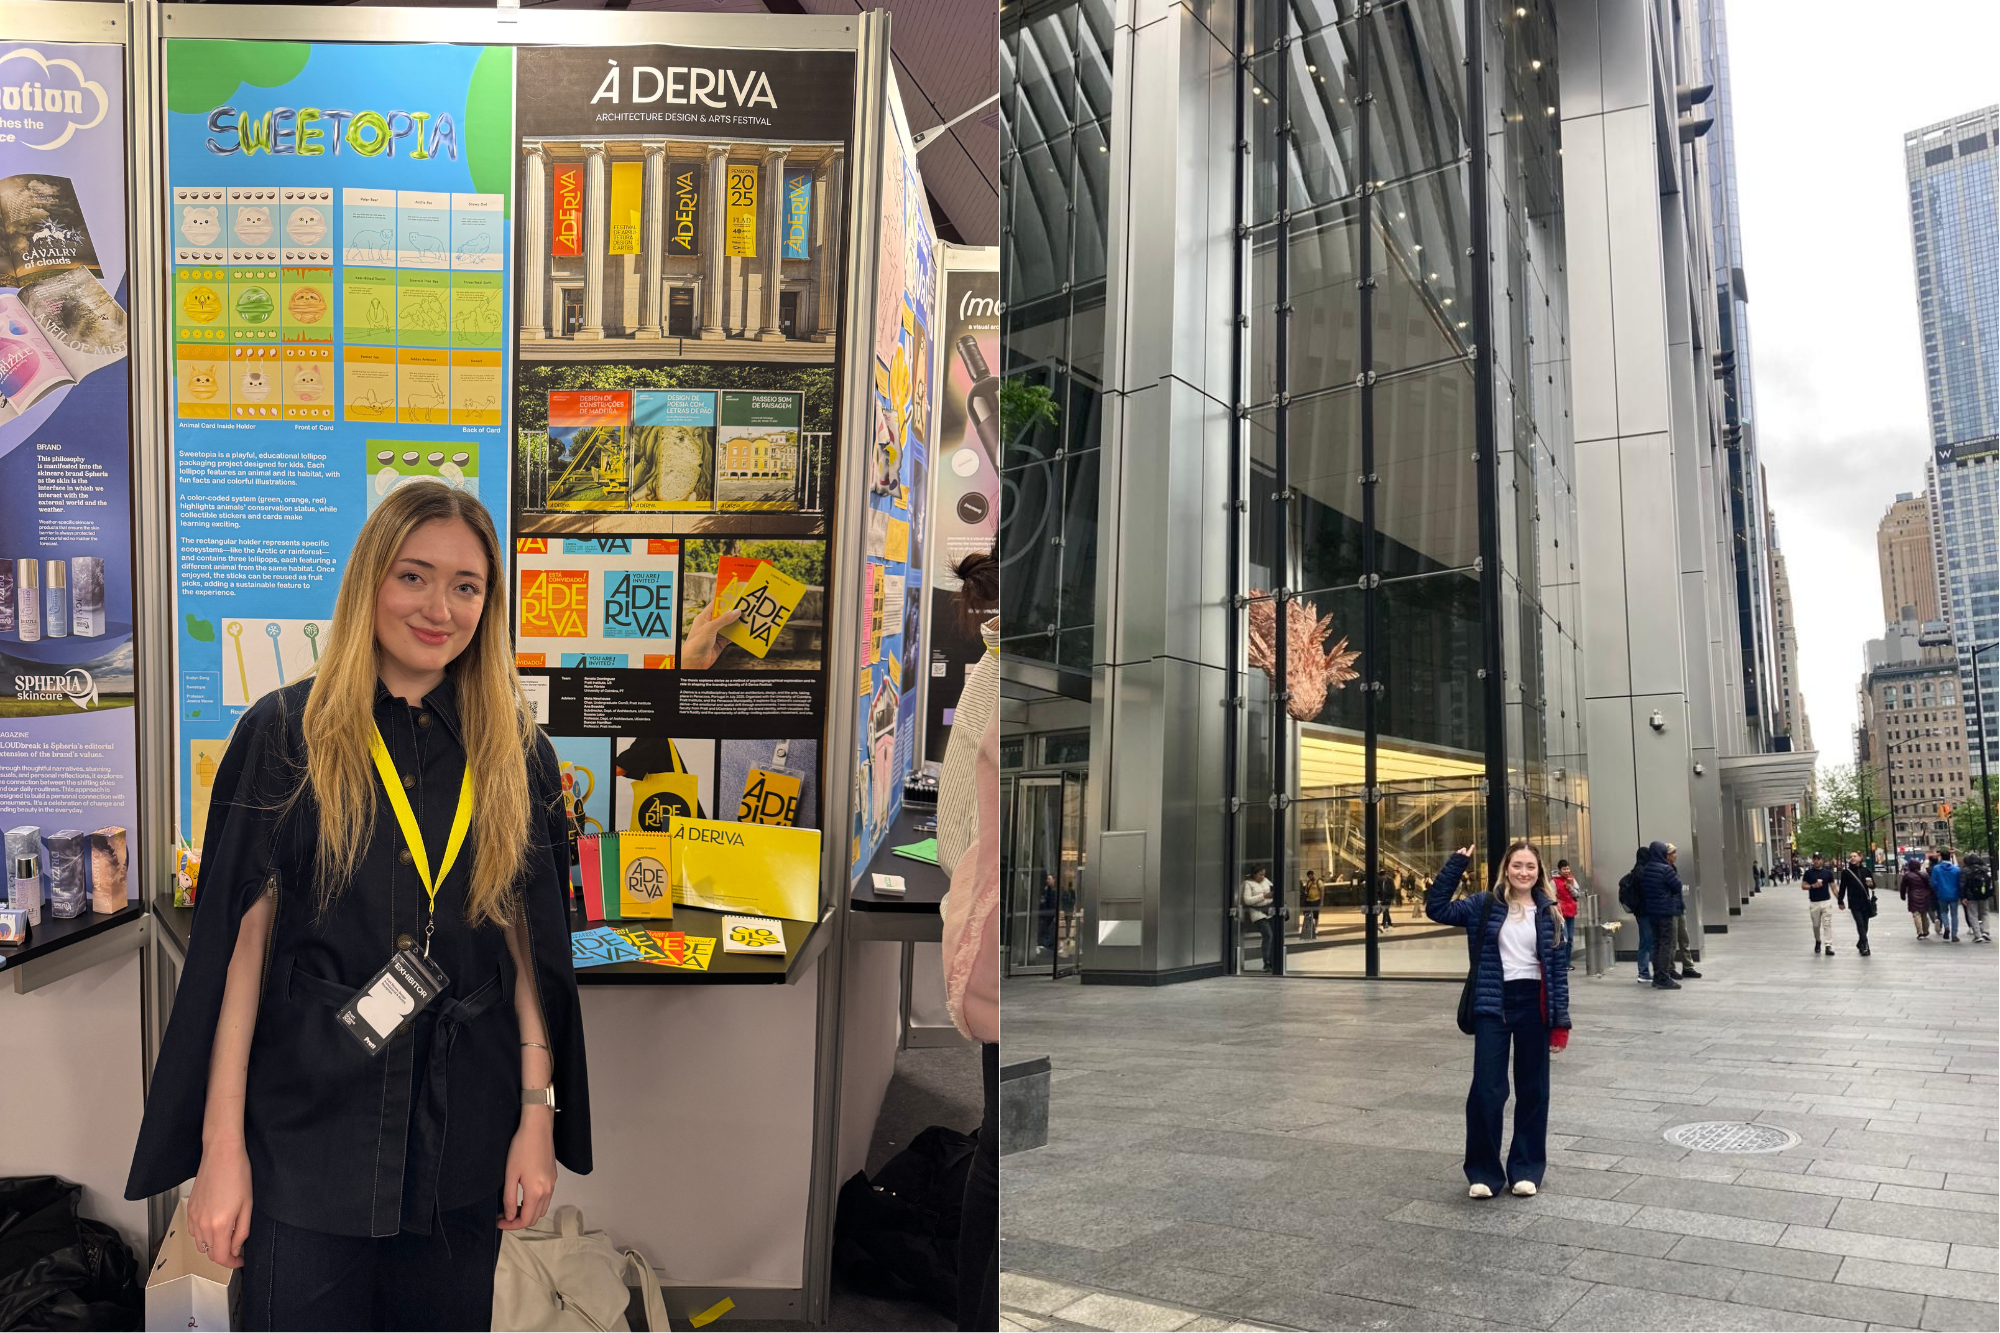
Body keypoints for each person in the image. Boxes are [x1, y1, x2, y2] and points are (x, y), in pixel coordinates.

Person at [125, 485, 590, 1330]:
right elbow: (240, 956)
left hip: (464, 1131)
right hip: (310, 1131)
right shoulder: (285, 736)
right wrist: (220, 1150)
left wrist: (536, 1117)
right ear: (371, 578)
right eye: (414, 576)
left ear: (487, 603)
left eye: (465, 585)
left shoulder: (517, 753)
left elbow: (530, 956)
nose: (439, 607)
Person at [1427, 842, 1570, 1199]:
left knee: (1533, 1089)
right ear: (1506, 868)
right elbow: (1437, 908)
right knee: (1487, 1089)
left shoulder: (1549, 911)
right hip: (1493, 1003)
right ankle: (1484, 1172)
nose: (1524, 872)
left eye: (1531, 867)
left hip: (1533, 1005)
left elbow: (1557, 974)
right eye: (1517, 865)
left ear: (1539, 872)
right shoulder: (1484, 904)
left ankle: (1526, 1169)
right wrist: (1456, 864)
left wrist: (1560, 1023)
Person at [936, 549, 998, 1332]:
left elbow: (955, 838)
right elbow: (956, 833)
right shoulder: (991, 679)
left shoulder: (988, 677)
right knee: (1000, 1153)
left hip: (992, 957)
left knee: (997, 1147)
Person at [1636, 841, 1687, 989]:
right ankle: (1663, 977)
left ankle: (1657, 975)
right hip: (1665, 911)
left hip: (1651, 911)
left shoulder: (1646, 869)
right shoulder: (1666, 869)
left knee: (1656, 943)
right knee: (1666, 943)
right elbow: (1677, 886)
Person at [1838, 851, 1875, 957]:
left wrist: (1871, 884)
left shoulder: (1866, 871)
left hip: (1865, 902)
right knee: (1860, 924)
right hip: (1854, 903)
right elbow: (1842, 888)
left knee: (1865, 925)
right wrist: (1840, 900)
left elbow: (1873, 886)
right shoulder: (1846, 872)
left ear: (1860, 857)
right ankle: (1866, 945)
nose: (1852, 858)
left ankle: (1860, 943)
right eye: (1851, 857)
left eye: (1855, 856)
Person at [1241, 867, 1278, 972]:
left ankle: (1273, 961)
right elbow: (1247, 900)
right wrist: (1264, 896)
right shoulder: (1248, 883)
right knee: (1268, 935)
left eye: (1264, 874)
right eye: (1260, 875)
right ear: (1254, 874)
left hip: (1269, 911)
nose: (1262, 877)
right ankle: (1267, 962)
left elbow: (1274, 889)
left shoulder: (1266, 880)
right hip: (1258, 913)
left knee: (1274, 936)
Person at [1801, 852, 1838, 955]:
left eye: (1818, 859)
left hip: (1826, 901)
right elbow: (1803, 886)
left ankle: (1828, 945)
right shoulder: (1808, 873)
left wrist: (1840, 900)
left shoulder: (1828, 873)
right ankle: (1818, 941)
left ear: (1822, 860)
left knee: (1827, 923)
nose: (1816, 861)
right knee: (1816, 925)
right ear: (1812, 860)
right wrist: (1813, 886)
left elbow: (1833, 887)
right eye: (1814, 859)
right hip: (1814, 903)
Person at [1551, 859, 1580, 967]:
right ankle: (1562, 962)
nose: (1567, 871)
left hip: (1571, 912)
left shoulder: (1572, 879)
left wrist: (1570, 887)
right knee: (1565, 938)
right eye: (1564, 869)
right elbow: (1551, 897)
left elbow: (1577, 894)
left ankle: (1567, 962)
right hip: (1561, 914)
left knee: (1571, 938)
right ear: (1559, 870)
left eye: (1568, 868)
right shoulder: (1554, 881)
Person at [1931, 849, 1962, 942]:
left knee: (1943, 912)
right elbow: (1959, 883)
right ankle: (1954, 934)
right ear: (1950, 857)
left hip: (1942, 894)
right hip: (1954, 894)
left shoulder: (1936, 868)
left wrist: (1938, 890)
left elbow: (1934, 882)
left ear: (1941, 857)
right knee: (1954, 915)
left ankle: (1946, 926)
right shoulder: (1956, 869)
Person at [1901, 856, 1935, 938]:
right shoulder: (1924, 875)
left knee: (1916, 914)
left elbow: (1903, 887)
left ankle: (1920, 932)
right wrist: (1933, 894)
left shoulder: (1907, 876)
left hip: (1913, 896)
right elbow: (1930, 886)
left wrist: (1903, 896)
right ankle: (1926, 930)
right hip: (1925, 896)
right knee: (1924, 914)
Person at [1961, 853, 1992, 943]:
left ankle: (1978, 935)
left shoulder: (1965, 870)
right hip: (1984, 895)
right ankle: (1985, 931)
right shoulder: (1985, 869)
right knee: (1985, 913)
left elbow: (1962, 885)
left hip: (1971, 896)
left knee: (1973, 915)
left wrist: (1963, 897)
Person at [1299, 870, 1323, 941]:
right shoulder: (1308, 882)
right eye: (1309, 876)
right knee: (1308, 914)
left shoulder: (1318, 881)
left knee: (1316, 915)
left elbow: (1322, 891)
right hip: (1309, 900)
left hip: (1316, 900)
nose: (1310, 877)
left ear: (1313, 875)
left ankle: (1316, 927)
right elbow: (1306, 891)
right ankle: (1309, 928)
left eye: (1311, 875)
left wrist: (1321, 901)